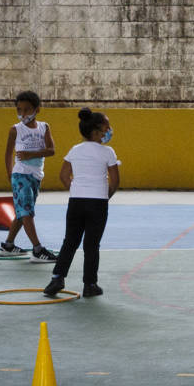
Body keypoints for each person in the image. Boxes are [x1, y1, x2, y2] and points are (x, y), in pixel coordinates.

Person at [45, 109, 122, 298]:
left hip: (76, 202)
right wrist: (105, 195)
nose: (109, 130)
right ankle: (90, 285)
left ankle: (57, 278)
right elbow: (115, 180)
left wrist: (75, 190)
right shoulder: (108, 152)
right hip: (98, 203)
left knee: (70, 241)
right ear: (97, 130)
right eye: (106, 126)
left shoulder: (74, 150)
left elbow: (63, 175)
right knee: (91, 244)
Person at [0, 89, 57, 259]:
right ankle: (37, 249)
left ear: (37, 109)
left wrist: (32, 154)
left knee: (23, 212)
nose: (22, 114)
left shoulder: (44, 127)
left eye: (27, 109)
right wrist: (10, 174)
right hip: (20, 175)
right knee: (27, 212)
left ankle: (8, 246)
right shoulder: (15, 130)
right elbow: (8, 153)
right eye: (19, 110)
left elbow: (51, 150)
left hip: (35, 176)